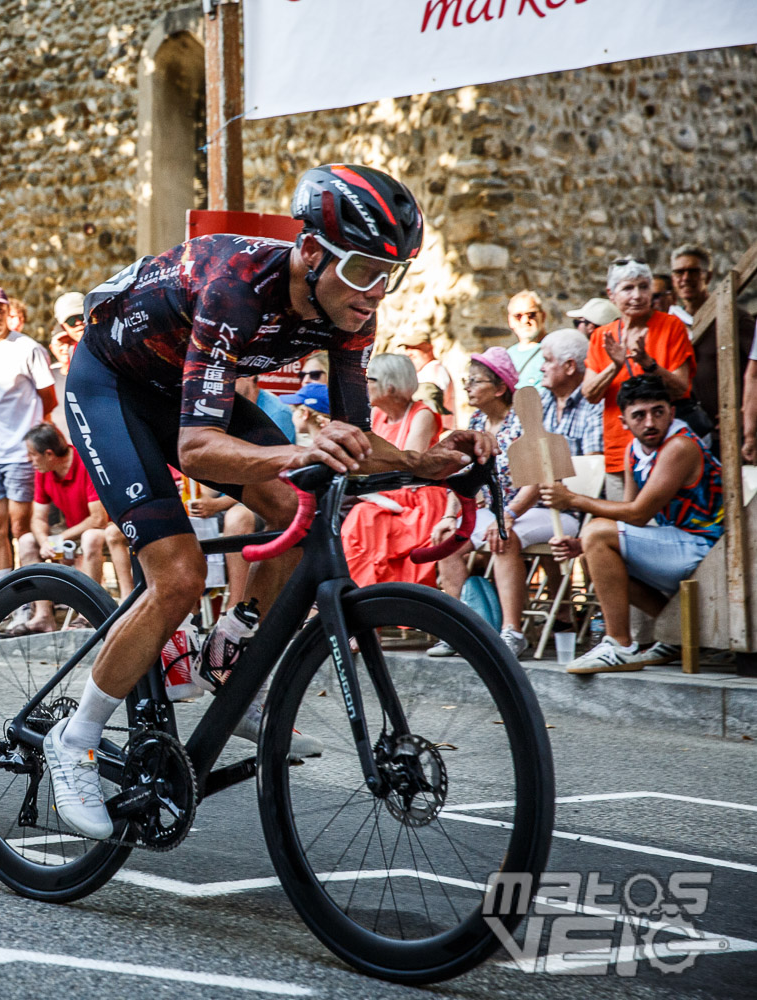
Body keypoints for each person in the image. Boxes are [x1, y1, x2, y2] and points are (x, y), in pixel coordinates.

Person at [46, 164, 495, 838]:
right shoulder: (235, 287)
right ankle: (72, 741)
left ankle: (231, 656)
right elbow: (197, 448)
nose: (377, 292)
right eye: (366, 269)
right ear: (311, 252)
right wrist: (294, 453)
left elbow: (356, 441)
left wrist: (430, 463)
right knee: (179, 575)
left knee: (300, 508)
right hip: (113, 386)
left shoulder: (348, 313)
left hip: (188, 393)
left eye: (391, 274)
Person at [545, 376, 723, 673]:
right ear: (624, 420)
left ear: (671, 412)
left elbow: (638, 514)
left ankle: (619, 644)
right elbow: (624, 515)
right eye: (639, 415)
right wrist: (581, 544)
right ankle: (676, 633)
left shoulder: (680, 445)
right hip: (679, 542)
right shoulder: (632, 450)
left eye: (658, 411)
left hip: (708, 548)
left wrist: (573, 499)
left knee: (597, 533)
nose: (650, 422)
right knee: (594, 548)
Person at [431, 349, 552, 658]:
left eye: (475, 381)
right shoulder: (475, 422)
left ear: (500, 389)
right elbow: (462, 475)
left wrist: (508, 515)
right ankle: (456, 628)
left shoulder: (524, 422)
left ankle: (511, 632)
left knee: (503, 537)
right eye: (466, 380)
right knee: (447, 540)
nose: (468, 387)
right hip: (498, 510)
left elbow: (536, 484)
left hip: (539, 509)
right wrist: (448, 515)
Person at [0, 284, 57, 631]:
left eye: (1, 308)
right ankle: (9, 602)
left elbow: (48, 399)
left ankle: (32, 602)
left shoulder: (28, 348)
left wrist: (28, 433)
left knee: (21, 528)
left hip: (22, 452)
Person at [583, 259, 694, 501]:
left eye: (644, 287)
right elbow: (589, 394)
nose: (638, 295)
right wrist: (615, 366)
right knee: (623, 529)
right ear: (611, 294)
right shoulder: (602, 335)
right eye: (628, 288)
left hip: (667, 450)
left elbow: (680, 388)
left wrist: (648, 364)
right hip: (619, 450)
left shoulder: (671, 326)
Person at [339, 353, 448, 589]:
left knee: (362, 517)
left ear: (389, 385)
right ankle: (352, 593)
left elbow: (408, 465)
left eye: (370, 380)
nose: (364, 385)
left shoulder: (422, 415)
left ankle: (361, 595)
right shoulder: (377, 416)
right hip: (382, 493)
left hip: (416, 499)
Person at [23, 422, 130, 603]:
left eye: (33, 455)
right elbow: (38, 518)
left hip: (106, 527)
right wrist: (45, 543)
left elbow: (98, 519)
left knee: (90, 537)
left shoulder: (86, 461)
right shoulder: (44, 468)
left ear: (49, 454)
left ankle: (89, 609)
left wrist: (59, 539)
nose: (29, 460)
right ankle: (42, 616)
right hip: (73, 529)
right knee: (27, 541)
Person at [666, 243, 754, 449]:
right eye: (679, 272)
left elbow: (754, 369)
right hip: (685, 429)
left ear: (708, 276)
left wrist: (745, 412)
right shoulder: (670, 323)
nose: (685, 278)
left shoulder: (734, 318)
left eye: (693, 271)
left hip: (728, 430)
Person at [537, 328, 603, 457]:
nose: (542, 368)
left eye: (548, 360)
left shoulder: (595, 405)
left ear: (570, 366)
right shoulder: (540, 401)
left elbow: (592, 464)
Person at [394, 328, 455, 428]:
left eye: (414, 347)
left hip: (434, 434)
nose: (409, 353)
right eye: (407, 348)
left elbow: (429, 406)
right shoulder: (424, 371)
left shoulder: (434, 371)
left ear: (429, 348)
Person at [48, 291, 84, 438]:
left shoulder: (109, 342)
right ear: (63, 326)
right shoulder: (72, 356)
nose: (78, 323)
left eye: (81, 316)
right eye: (70, 320)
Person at [504, 290, 548, 388]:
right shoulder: (508, 356)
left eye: (531, 314)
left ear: (543, 316)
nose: (525, 321)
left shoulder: (554, 348)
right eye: (518, 316)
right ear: (510, 321)